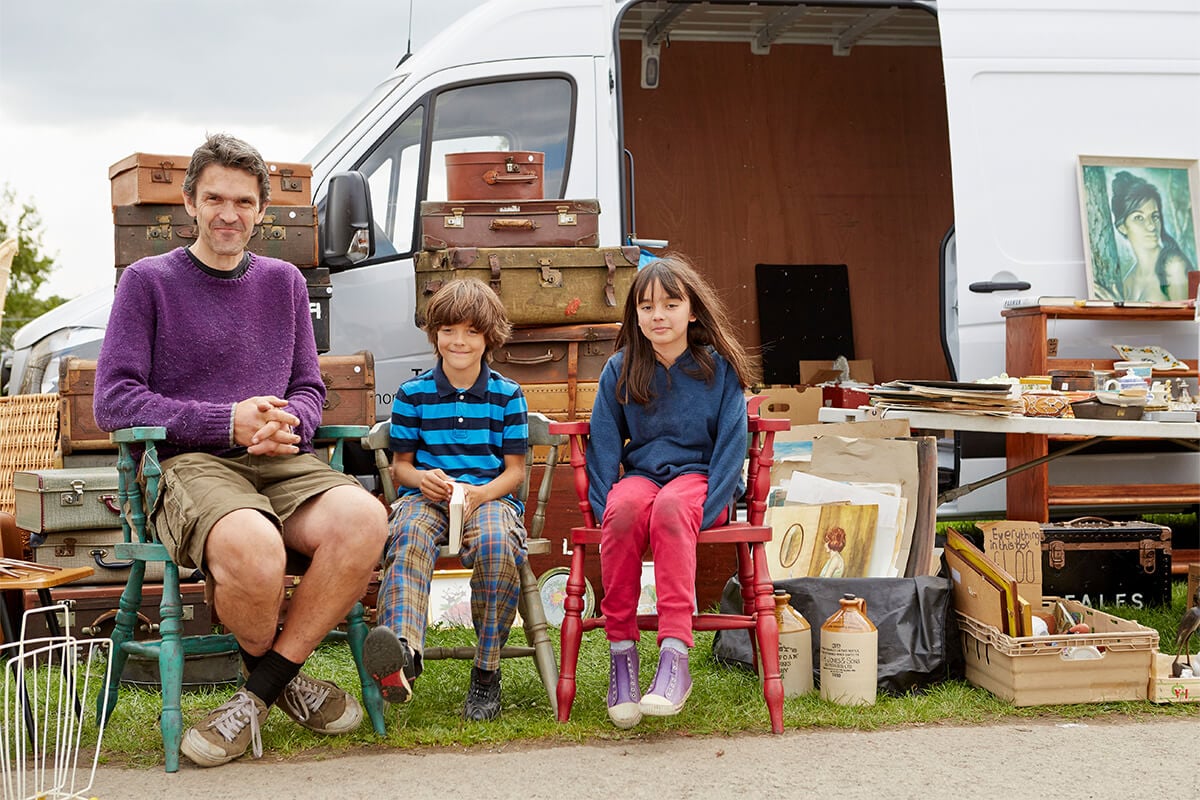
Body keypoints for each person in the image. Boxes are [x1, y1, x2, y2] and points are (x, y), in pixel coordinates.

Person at [93, 133, 388, 768]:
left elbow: (309, 388)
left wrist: (293, 425)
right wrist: (226, 420)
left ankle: (256, 694)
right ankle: (282, 681)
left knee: (366, 517)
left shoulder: (283, 282)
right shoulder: (147, 282)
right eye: (216, 199)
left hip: (276, 458)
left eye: (245, 202)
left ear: (261, 210)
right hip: (188, 463)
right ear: (190, 203)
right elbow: (113, 402)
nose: (230, 214)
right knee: (256, 548)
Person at [585, 254, 757, 730]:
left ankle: (675, 657)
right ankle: (622, 659)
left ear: (692, 311)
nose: (657, 316)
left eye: (670, 304)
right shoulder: (621, 368)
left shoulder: (718, 370)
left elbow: (731, 445)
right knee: (625, 510)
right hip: (644, 479)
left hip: (699, 484)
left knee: (669, 507)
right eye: (645, 307)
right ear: (634, 316)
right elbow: (601, 445)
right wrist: (606, 511)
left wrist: (715, 505)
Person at [363, 278, 529, 722]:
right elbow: (400, 466)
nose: (459, 341)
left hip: (488, 498)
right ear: (434, 333)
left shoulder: (508, 395)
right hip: (427, 498)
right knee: (409, 536)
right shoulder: (413, 395)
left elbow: (514, 471)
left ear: (489, 337)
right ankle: (403, 652)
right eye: (449, 330)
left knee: (497, 546)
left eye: (472, 332)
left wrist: (479, 493)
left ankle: (486, 672)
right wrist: (422, 477)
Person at [1106, 170, 1194, 302]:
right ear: (1122, 227)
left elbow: (1187, 320)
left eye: (1155, 216)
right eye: (1139, 218)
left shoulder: (1174, 267)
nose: (1152, 226)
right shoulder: (1127, 282)